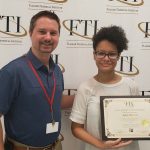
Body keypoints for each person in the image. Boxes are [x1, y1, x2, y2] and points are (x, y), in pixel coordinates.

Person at [0, 10, 74, 150]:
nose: (48, 37)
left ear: (58, 36)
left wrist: (87, 95)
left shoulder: (57, 71)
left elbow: (56, 101)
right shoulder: (12, 71)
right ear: (30, 33)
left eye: (53, 33)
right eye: (42, 31)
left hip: (55, 146)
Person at [70, 25, 140, 150]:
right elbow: (76, 128)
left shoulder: (131, 86)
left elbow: (138, 120)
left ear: (118, 56)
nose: (106, 58)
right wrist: (100, 144)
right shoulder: (85, 88)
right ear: (94, 55)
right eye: (101, 53)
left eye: (112, 54)